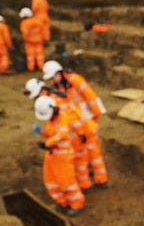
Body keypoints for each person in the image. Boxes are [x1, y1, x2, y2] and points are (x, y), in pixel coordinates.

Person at [43, 60, 109, 188]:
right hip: (77, 122)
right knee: (83, 152)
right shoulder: (60, 87)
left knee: (93, 152)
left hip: (88, 119)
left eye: (53, 77)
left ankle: (101, 180)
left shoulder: (75, 80)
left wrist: (96, 114)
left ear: (59, 73)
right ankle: (86, 181)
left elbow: (90, 96)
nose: (52, 81)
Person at [24, 78, 93, 192]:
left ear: (42, 91)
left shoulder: (55, 103)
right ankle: (82, 186)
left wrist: (80, 133)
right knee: (74, 165)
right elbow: (54, 130)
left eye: (37, 96)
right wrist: (42, 133)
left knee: (79, 163)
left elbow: (67, 123)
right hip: (70, 136)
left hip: (74, 136)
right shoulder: (50, 103)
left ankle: (84, 187)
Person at [33, 95, 85, 217]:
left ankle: (76, 204)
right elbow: (51, 133)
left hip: (63, 155)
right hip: (52, 154)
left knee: (66, 182)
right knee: (50, 181)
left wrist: (48, 143)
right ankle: (62, 202)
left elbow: (62, 133)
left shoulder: (63, 116)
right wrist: (41, 132)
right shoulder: (51, 118)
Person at [19, 7, 45, 71]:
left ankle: (31, 68)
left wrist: (25, 40)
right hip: (39, 41)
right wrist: (43, 39)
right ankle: (41, 67)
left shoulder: (24, 23)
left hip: (30, 42)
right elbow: (43, 30)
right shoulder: (38, 21)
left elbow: (25, 33)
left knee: (30, 56)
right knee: (40, 56)